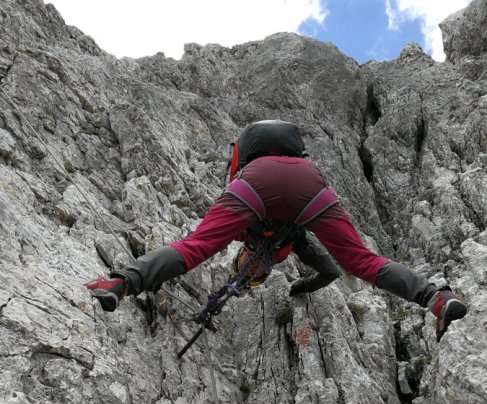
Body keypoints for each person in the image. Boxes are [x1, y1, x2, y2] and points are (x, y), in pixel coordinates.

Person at [86, 119, 467, 342]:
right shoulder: (297, 240)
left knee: (195, 247)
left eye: (248, 268)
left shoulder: (245, 232)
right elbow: (335, 269)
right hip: (308, 182)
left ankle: (123, 284)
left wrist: (298, 287)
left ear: (245, 253)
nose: (253, 267)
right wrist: (299, 287)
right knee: (363, 261)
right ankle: (435, 297)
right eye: (256, 273)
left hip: (257, 181)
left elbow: (197, 247)